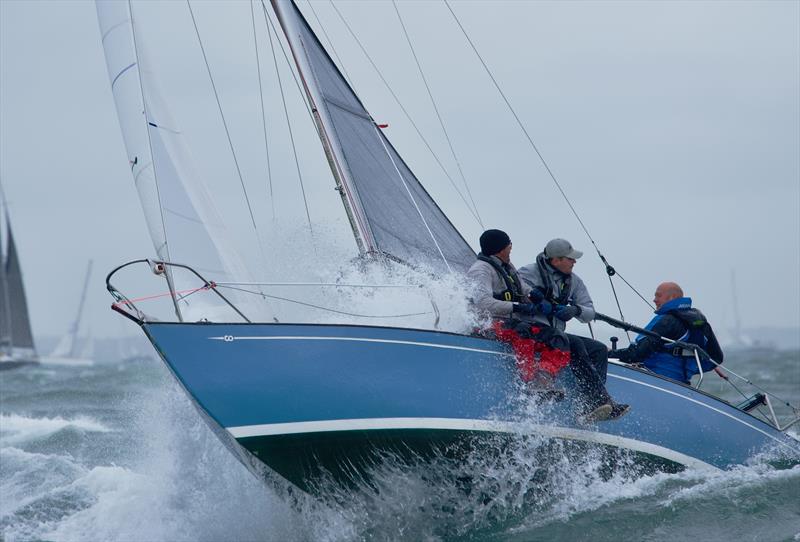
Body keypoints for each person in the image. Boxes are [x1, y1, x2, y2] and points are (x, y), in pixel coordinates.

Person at [467, 230, 616, 422]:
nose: (511, 247)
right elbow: (483, 304)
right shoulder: (482, 270)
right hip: (493, 324)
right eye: (509, 244)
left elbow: (522, 287)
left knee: (595, 348)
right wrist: (520, 306)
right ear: (500, 248)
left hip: (513, 323)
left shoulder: (506, 266)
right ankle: (538, 383)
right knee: (555, 338)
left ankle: (594, 401)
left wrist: (538, 296)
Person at [518, 238, 630, 420]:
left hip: (556, 334)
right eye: (570, 259)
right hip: (531, 329)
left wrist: (576, 310)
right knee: (576, 343)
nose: (574, 262)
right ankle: (598, 400)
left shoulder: (574, 281)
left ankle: (591, 404)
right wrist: (540, 304)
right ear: (556, 260)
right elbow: (520, 294)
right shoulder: (528, 272)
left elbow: (589, 311)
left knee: (599, 349)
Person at [615, 282, 724, 385]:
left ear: (672, 298)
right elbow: (717, 358)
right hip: (681, 383)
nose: (654, 300)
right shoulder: (699, 322)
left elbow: (637, 354)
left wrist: (609, 354)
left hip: (655, 378)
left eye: (658, 296)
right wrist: (693, 367)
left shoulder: (667, 321)